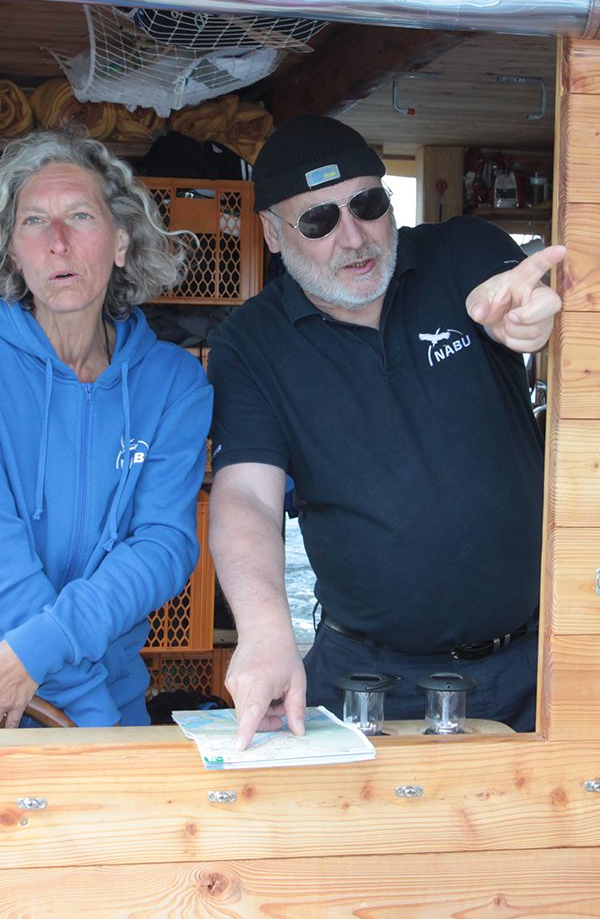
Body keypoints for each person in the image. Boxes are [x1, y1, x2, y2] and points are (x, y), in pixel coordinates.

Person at [207, 115, 565, 748]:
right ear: (273, 232)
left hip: (538, 661)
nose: (354, 238)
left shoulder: (459, 253)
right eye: (319, 220)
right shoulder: (250, 342)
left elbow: (517, 295)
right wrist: (264, 632)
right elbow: (247, 496)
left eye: (368, 205)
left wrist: (533, 316)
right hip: (368, 678)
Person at [0, 128, 212, 728]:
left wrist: (66, 677)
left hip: (105, 696)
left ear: (120, 241)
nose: (58, 243)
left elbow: (163, 544)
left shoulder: (174, 382)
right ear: (13, 250)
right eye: (34, 221)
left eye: (80, 216)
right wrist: (89, 718)